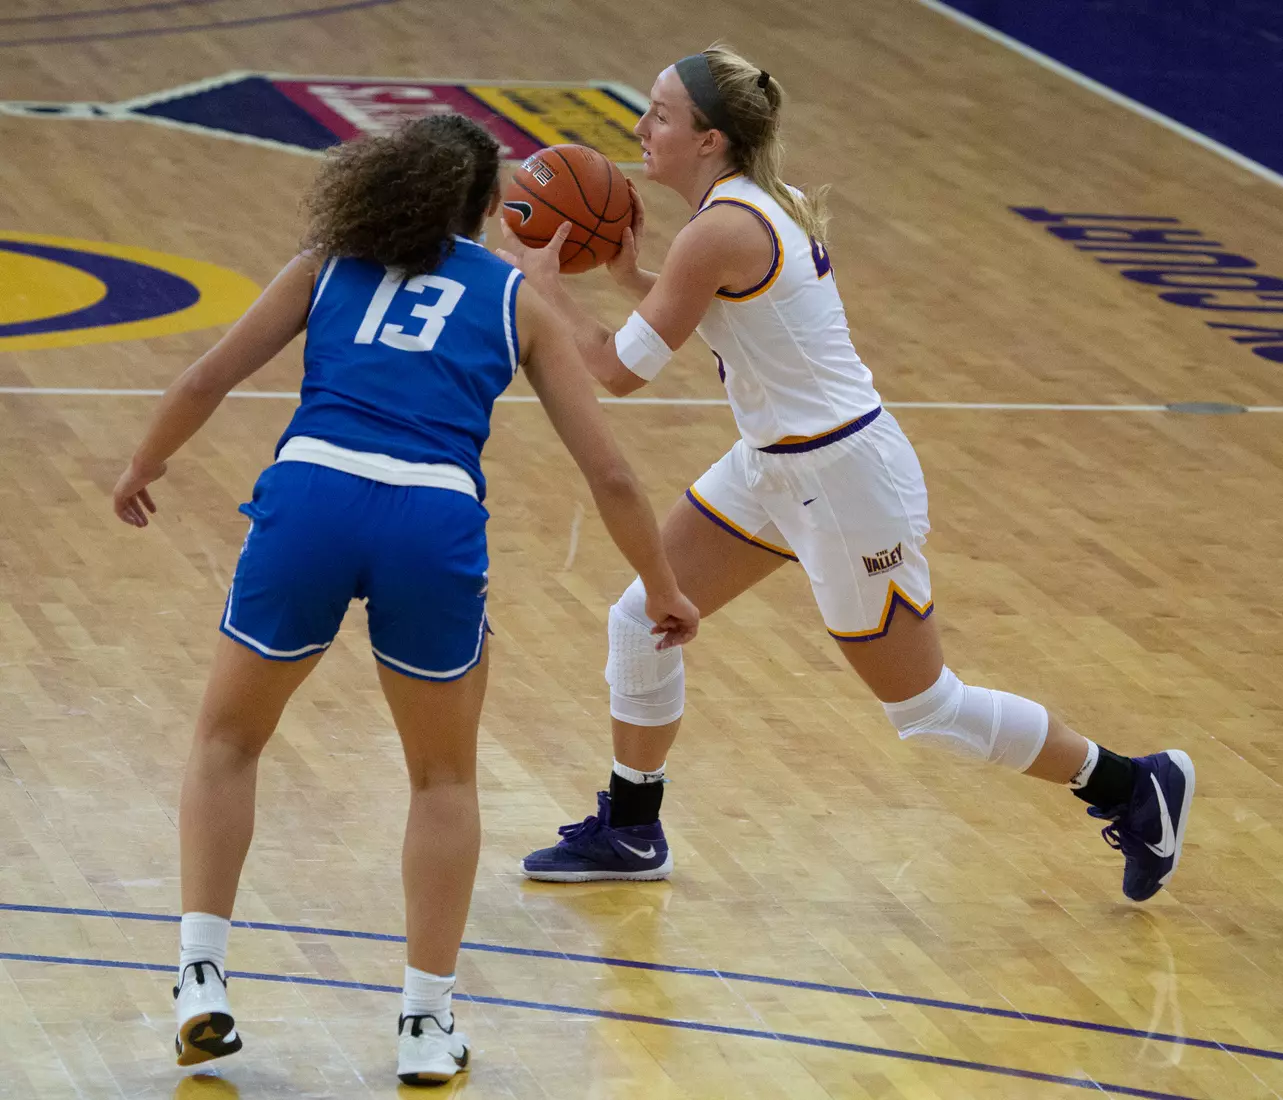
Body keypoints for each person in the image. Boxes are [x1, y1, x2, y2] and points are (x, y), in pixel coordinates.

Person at [499, 46, 1193, 901]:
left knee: (925, 710)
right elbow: (717, 312)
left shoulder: (720, 227)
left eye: (660, 114)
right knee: (642, 617)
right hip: (775, 465)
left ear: (709, 139)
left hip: (844, 481)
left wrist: (540, 287)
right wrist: (624, 275)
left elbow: (614, 369)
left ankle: (1132, 784)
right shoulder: (742, 209)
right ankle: (632, 829)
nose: (639, 128)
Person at [111, 113, 698, 1085]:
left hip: (312, 494)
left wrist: (145, 460)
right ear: (484, 211)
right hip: (431, 516)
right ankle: (425, 1024)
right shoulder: (516, 298)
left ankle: (201, 978)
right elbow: (614, 477)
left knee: (226, 740)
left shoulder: (325, 263)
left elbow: (207, 373)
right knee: (441, 778)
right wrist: (662, 585)